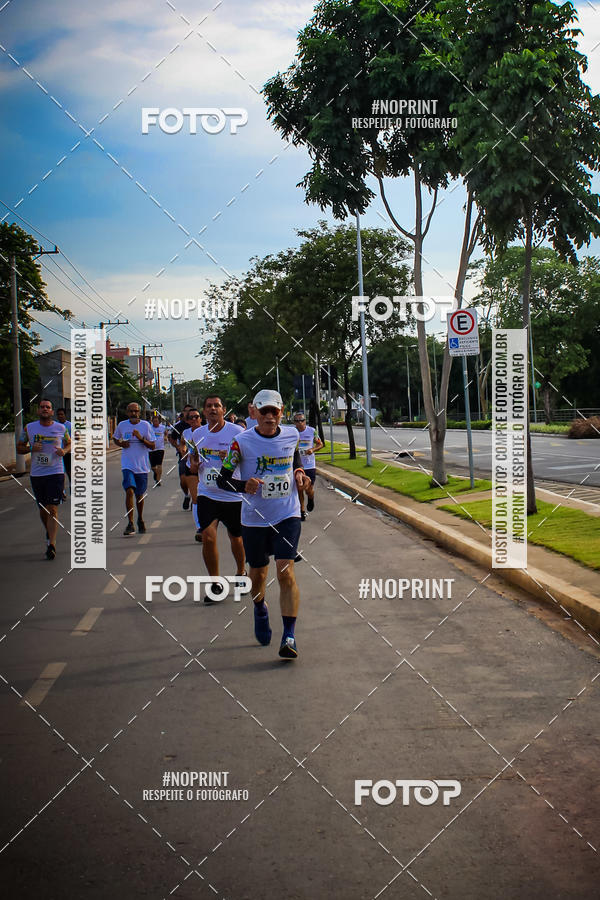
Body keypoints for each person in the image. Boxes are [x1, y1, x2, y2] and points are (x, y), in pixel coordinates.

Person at [217, 389, 311, 659]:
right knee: (258, 575)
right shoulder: (240, 442)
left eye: (275, 411)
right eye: (264, 411)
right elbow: (222, 479)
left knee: (285, 572)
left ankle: (289, 635)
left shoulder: (292, 434)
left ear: (282, 412)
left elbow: (293, 457)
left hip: (287, 514)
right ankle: (259, 608)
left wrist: (299, 471)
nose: (270, 416)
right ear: (253, 412)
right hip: (254, 519)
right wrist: (242, 485)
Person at [191, 396, 245, 602]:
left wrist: (230, 459)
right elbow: (194, 463)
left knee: (236, 539)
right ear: (204, 412)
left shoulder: (237, 433)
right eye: (209, 406)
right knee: (208, 536)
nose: (213, 409)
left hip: (232, 494)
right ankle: (215, 583)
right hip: (208, 492)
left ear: (223, 410)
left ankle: (241, 572)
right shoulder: (198, 434)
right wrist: (194, 464)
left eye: (217, 406)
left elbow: (247, 460)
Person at [17, 399, 71, 559]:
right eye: (42, 407)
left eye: (48, 407)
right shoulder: (29, 428)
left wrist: (65, 451)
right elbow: (19, 447)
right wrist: (30, 448)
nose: (45, 409)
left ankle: (51, 544)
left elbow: (69, 443)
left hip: (56, 473)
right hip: (37, 474)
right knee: (43, 510)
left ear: (52, 411)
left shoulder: (61, 428)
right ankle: (49, 532)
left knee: (53, 508)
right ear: (38, 411)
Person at [113, 402, 155, 535]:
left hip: (142, 466)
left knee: (139, 496)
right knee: (129, 491)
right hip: (127, 465)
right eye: (131, 411)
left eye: (136, 411)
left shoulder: (145, 425)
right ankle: (130, 522)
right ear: (127, 412)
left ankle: (140, 519)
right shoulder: (122, 425)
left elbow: (152, 446)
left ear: (139, 412)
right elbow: (115, 439)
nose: (133, 413)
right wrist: (121, 443)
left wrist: (141, 438)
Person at [293, 412, 324, 520]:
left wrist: (312, 449)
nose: (299, 423)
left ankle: (311, 498)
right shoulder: (293, 433)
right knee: (299, 488)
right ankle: (302, 511)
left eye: (301, 420)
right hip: (297, 466)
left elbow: (320, 444)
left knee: (308, 489)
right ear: (294, 422)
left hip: (309, 465)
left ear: (305, 421)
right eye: (297, 421)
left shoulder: (311, 431)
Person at [178, 408, 203, 541]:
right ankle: (200, 527)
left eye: (196, 417)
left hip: (206, 469)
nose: (194, 419)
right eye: (191, 417)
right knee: (196, 498)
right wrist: (183, 451)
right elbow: (182, 444)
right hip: (190, 468)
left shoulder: (206, 431)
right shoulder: (186, 432)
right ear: (187, 420)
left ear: (201, 418)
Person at [169, 405, 192, 508]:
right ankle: (187, 495)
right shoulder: (178, 426)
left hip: (197, 457)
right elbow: (171, 438)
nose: (187, 413)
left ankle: (195, 499)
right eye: (185, 411)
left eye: (189, 411)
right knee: (183, 480)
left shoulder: (198, 424)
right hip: (183, 457)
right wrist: (178, 447)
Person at [56, 407, 72, 493]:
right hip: (58, 453)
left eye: (62, 414)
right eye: (58, 415)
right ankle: (62, 491)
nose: (60, 416)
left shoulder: (70, 425)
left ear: (65, 415)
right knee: (60, 473)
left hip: (68, 453)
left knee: (69, 472)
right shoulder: (55, 426)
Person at [149, 414, 167, 486]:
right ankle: (156, 473)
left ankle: (158, 480)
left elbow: (166, 433)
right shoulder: (149, 428)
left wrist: (165, 437)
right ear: (152, 421)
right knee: (153, 467)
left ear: (159, 421)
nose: (155, 422)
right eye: (154, 421)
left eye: (156, 421)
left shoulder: (162, 427)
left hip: (160, 448)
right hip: (151, 449)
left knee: (159, 465)